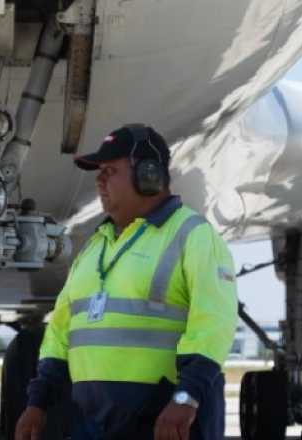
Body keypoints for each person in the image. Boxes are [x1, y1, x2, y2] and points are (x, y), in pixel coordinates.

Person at [15, 124, 238, 440]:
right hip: (91, 424)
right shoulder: (95, 247)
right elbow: (61, 332)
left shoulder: (193, 235)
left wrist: (186, 396)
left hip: (162, 422)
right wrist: (37, 403)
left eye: (110, 171)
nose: (99, 180)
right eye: (99, 172)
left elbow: (214, 324)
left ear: (149, 176)